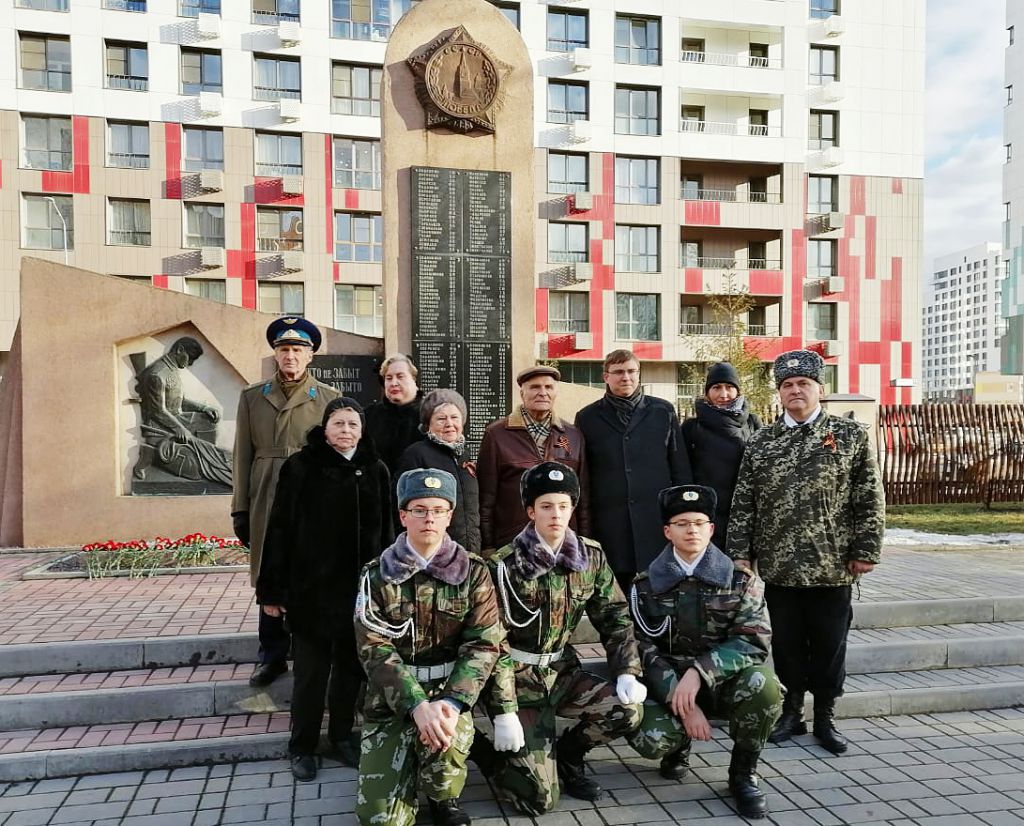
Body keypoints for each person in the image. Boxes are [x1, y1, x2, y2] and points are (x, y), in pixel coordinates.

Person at [727, 349, 884, 755]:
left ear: (819, 389)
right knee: (789, 644)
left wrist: (866, 549)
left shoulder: (849, 436)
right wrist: (740, 554)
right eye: (787, 385)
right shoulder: (762, 441)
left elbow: (869, 498)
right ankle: (792, 712)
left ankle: (826, 717)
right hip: (779, 566)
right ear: (779, 392)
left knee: (831, 645)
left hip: (833, 564)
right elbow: (745, 502)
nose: (795, 391)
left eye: (803, 384)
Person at [471, 462, 645, 815]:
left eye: (563, 505)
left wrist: (627, 669)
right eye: (546, 506)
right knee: (536, 801)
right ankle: (487, 756)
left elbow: (615, 617)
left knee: (626, 711)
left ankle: (567, 757)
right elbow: (493, 643)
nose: (556, 514)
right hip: (516, 683)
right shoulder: (503, 566)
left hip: (562, 674)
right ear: (530, 510)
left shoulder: (589, 557)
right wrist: (503, 712)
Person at [354, 468, 511, 826]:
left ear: (450, 515)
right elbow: (374, 649)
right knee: (380, 820)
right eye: (420, 509)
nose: (429, 518)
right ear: (403, 515)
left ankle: (443, 797)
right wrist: (415, 704)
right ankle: (404, 770)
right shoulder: (377, 575)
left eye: (438, 510)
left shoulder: (473, 572)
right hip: (393, 701)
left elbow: (484, 642)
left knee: (443, 754)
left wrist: (453, 701)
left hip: (447, 693)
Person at [256, 397, 392, 780]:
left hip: (360, 595)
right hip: (311, 593)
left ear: (362, 430)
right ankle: (302, 745)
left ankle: (341, 737)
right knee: (312, 676)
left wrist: (387, 585)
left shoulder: (376, 469)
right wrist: (272, 591)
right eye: (339, 423)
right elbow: (279, 529)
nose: (346, 431)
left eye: (353, 424)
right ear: (326, 427)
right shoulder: (301, 467)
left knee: (351, 671)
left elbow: (387, 535)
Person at [627, 484, 782, 819]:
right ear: (668, 531)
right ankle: (677, 747)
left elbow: (753, 641)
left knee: (764, 687)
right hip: (669, 688)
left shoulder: (740, 581)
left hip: (722, 683)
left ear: (711, 529)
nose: (691, 530)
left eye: (698, 523)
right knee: (651, 738)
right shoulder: (644, 585)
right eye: (682, 523)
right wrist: (680, 700)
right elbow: (642, 647)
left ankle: (743, 773)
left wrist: (699, 673)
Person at [232, 318, 340, 688]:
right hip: (266, 491)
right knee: (269, 570)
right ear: (275, 354)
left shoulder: (326, 398)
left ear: (310, 355)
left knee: (307, 568)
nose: (290, 356)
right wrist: (240, 509)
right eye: (283, 350)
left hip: (309, 495)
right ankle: (272, 655)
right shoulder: (252, 396)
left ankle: (308, 650)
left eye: (297, 350)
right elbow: (242, 455)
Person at [575, 349, 691, 593]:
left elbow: (680, 469)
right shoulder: (587, 417)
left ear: (639, 374)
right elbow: (582, 473)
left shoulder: (663, 412)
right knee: (617, 602)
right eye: (618, 372)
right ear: (606, 376)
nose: (625, 377)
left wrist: (682, 517)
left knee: (660, 600)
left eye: (631, 371)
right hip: (611, 526)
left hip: (655, 524)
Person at [477, 365, 590, 553]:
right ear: (522, 393)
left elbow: (583, 498)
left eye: (549, 387)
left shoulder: (573, 435)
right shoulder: (496, 434)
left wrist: (584, 542)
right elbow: (486, 498)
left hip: (562, 544)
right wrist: (488, 546)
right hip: (512, 543)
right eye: (535, 387)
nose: (542, 393)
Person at [680, 362, 762, 549]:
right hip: (705, 514)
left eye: (729, 387)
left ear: (738, 391)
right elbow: (682, 472)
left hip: (744, 513)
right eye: (716, 387)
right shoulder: (692, 427)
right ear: (707, 392)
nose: (723, 394)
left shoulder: (751, 423)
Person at [134, 336, 231, 487]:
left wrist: (203, 408)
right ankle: (151, 453)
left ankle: (212, 459)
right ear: (180, 350)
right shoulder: (157, 374)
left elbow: (180, 401)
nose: (190, 363)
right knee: (195, 470)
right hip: (158, 428)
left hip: (174, 418)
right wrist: (181, 429)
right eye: (190, 358)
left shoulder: (172, 370)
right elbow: (158, 411)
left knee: (207, 421)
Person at [395, 388, 480, 553]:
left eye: (454, 417)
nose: (449, 424)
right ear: (428, 425)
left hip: (470, 552)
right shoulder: (416, 454)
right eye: (441, 419)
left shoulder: (465, 456)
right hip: (433, 552)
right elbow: (401, 506)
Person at [365, 353, 423, 475]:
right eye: (389, 378)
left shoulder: (429, 414)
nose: (394, 383)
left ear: (414, 379)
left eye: (400, 376)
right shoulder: (369, 416)